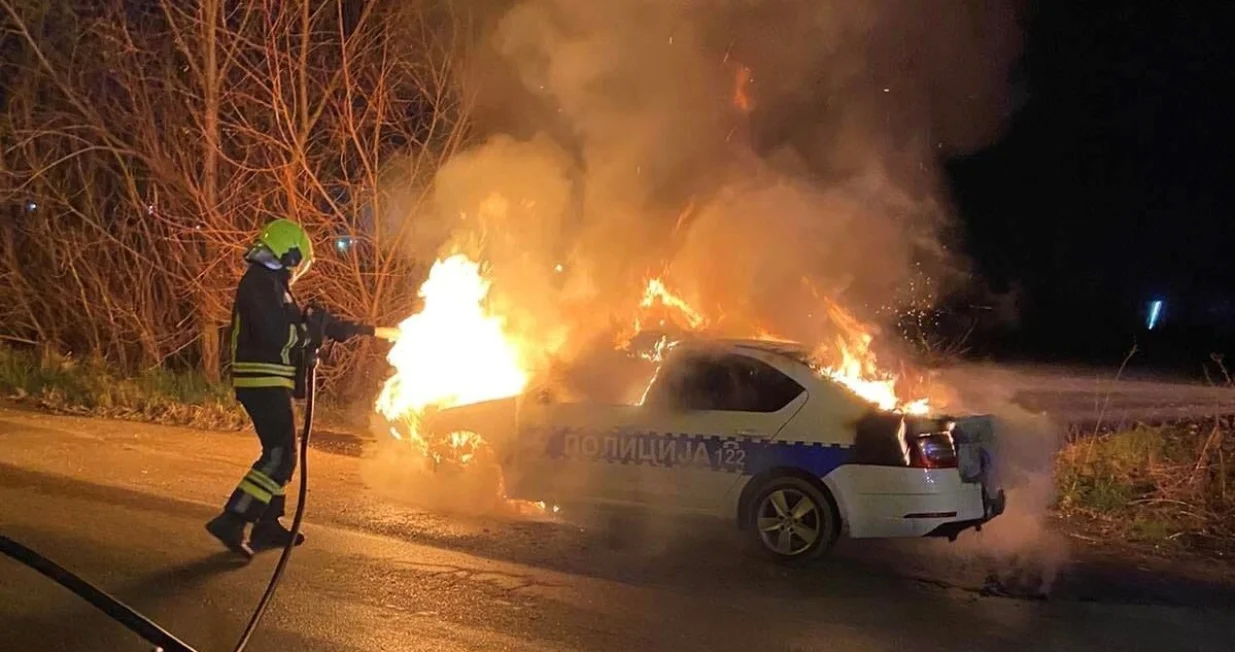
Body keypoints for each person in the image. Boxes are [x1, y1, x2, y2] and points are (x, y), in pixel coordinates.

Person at [205, 219, 376, 558]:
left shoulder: (270, 284)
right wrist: (310, 329)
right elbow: (277, 334)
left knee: (281, 452)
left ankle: (267, 525)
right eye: (299, 261)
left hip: (269, 381)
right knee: (280, 456)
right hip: (261, 381)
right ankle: (234, 517)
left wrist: (338, 328)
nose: (299, 269)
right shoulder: (260, 284)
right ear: (289, 253)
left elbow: (292, 327)